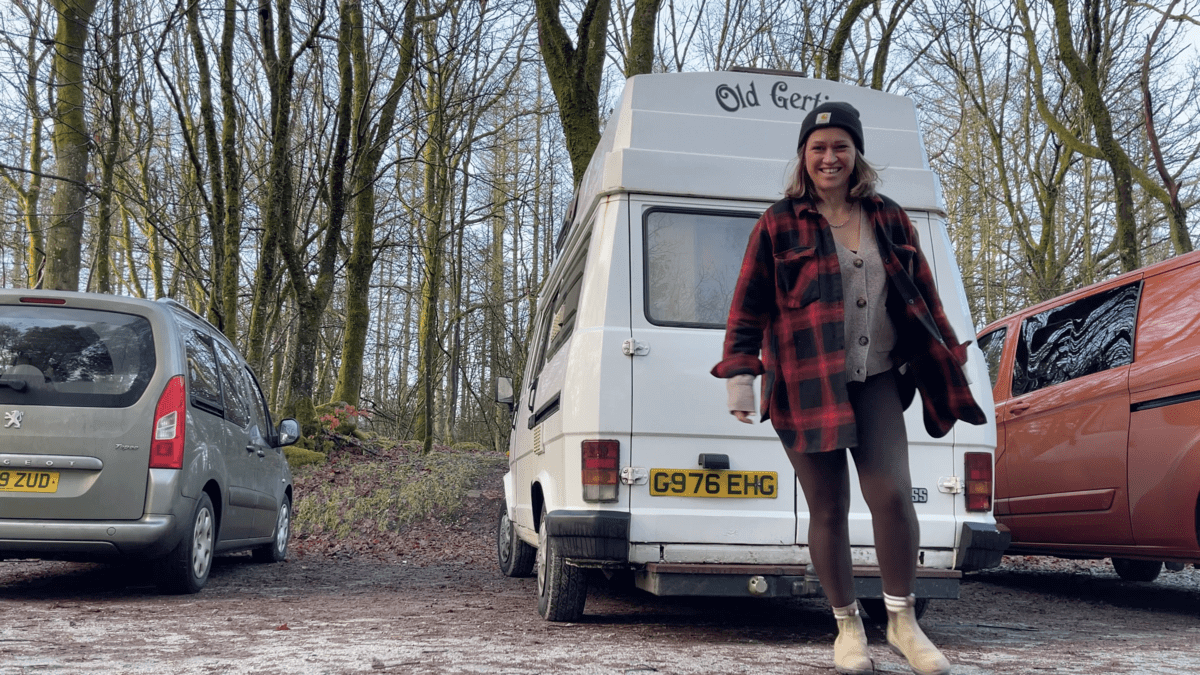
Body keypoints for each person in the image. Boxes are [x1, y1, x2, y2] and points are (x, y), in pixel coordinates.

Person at [711, 101, 986, 675]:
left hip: (878, 379)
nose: (830, 157)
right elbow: (748, 304)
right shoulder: (777, 223)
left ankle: (903, 622)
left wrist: (949, 357)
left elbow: (925, 297)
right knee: (828, 507)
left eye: (840, 146)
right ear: (804, 158)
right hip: (805, 384)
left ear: (856, 153)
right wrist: (741, 373)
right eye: (819, 148)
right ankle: (846, 627)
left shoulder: (889, 217)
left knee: (890, 494)